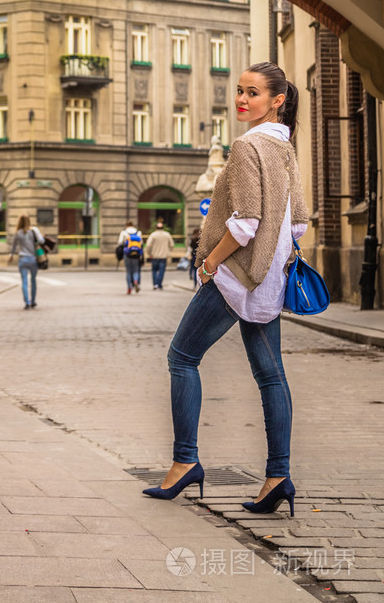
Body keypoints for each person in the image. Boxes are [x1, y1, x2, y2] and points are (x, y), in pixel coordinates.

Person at [143, 62, 308, 518]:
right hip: (270, 278)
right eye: (239, 90)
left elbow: (247, 221)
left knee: (181, 357)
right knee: (271, 375)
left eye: (252, 93)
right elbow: (297, 224)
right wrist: (273, 262)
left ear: (276, 100)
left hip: (234, 275)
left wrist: (211, 260)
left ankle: (184, 461)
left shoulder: (247, 146)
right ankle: (278, 477)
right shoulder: (285, 148)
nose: (241, 99)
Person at [8, 215, 45, 309]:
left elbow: (13, 246)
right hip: (33, 259)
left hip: (23, 259)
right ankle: (33, 301)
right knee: (33, 280)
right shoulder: (33, 231)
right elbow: (41, 241)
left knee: (24, 281)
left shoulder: (17, 233)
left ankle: (27, 302)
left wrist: (11, 256)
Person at [145, 219, 174, 290]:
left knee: (154, 270)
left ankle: (155, 284)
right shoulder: (167, 235)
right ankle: (159, 284)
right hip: (163, 256)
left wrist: (149, 253)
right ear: (163, 228)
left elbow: (148, 245)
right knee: (161, 271)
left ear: (156, 228)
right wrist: (169, 252)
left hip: (154, 256)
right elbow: (172, 244)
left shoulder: (153, 235)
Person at [117, 220, 143, 293]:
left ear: (126, 225)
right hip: (136, 254)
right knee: (135, 270)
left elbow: (120, 242)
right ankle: (135, 281)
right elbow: (141, 243)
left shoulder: (124, 232)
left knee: (128, 271)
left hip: (127, 253)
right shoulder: (138, 232)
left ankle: (129, 287)